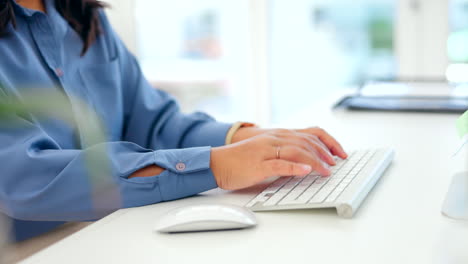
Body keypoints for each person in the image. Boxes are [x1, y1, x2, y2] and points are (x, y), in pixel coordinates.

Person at [0, 0, 348, 241]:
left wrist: (249, 138)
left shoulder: (84, 17)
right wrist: (217, 166)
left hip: (120, 226)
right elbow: (27, 179)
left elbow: (153, 123)